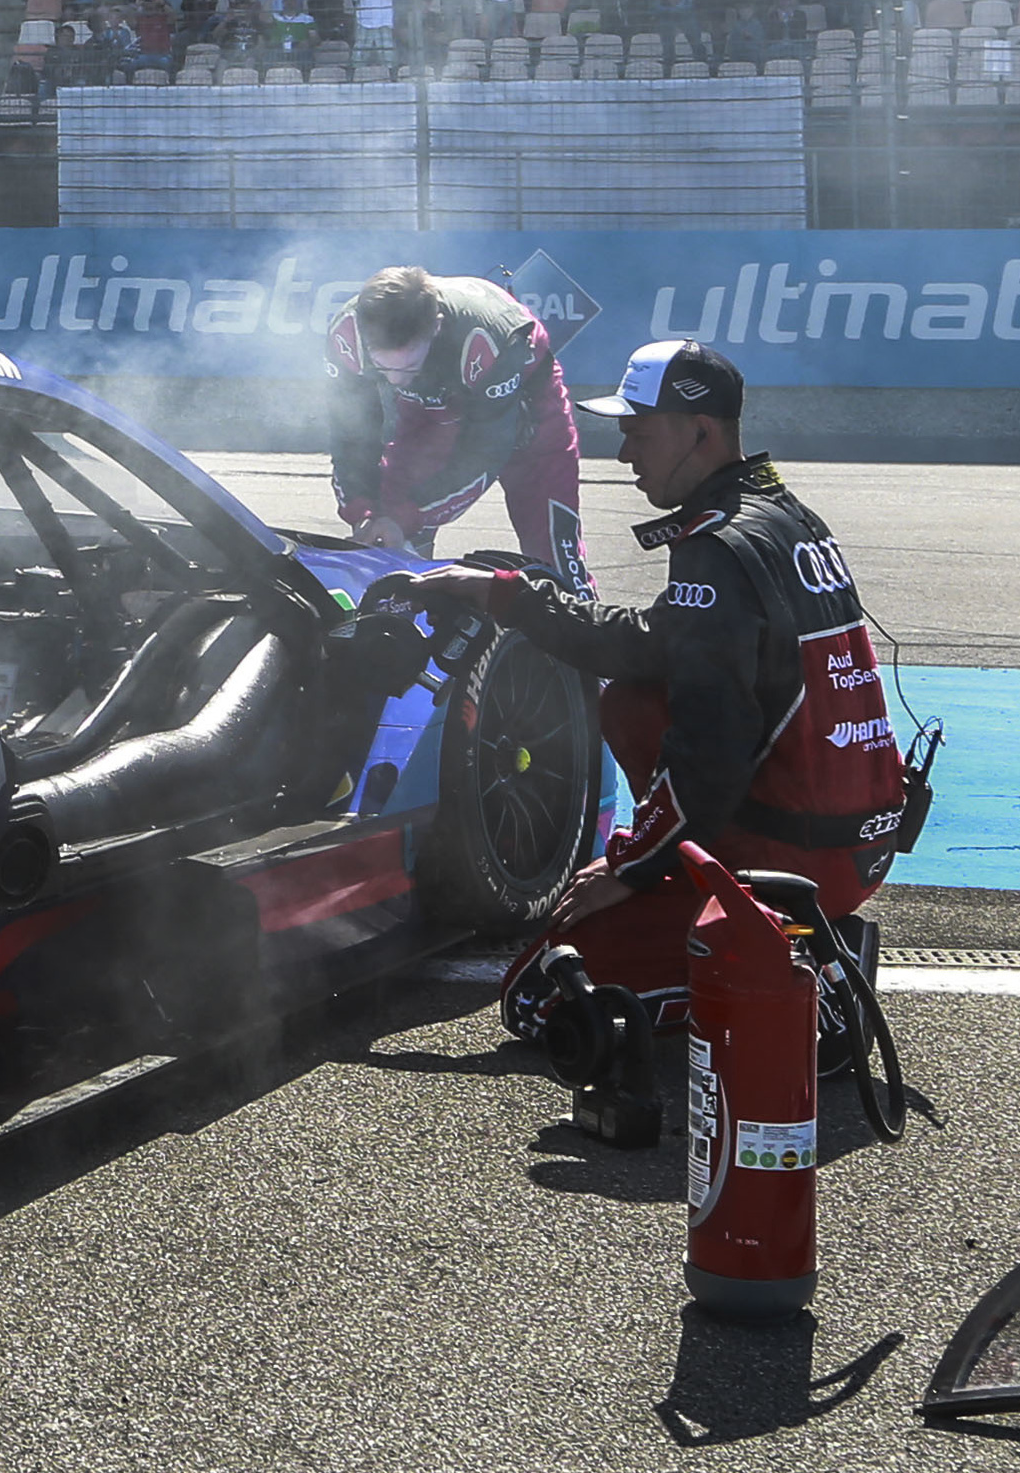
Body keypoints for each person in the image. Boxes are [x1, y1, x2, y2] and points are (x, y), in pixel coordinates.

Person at [405, 336, 909, 1050]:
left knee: (539, 999)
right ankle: (788, 928)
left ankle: (806, 979)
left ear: (697, 431)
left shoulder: (719, 544)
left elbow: (711, 739)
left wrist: (634, 866)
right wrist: (506, 595)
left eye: (636, 433)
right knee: (635, 697)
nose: (623, 456)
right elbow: (647, 645)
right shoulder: (779, 513)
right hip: (852, 834)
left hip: (799, 854)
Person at [323, 263, 592, 592]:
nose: (393, 379)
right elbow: (349, 433)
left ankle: (578, 624)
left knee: (554, 552)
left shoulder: (488, 337)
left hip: (525, 403)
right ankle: (399, 614)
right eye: (383, 367)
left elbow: (486, 450)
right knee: (386, 523)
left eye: (406, 365)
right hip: (426, 408)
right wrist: (363, 511)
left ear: (435, 327)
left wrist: (410, 515)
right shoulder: (347, 334)